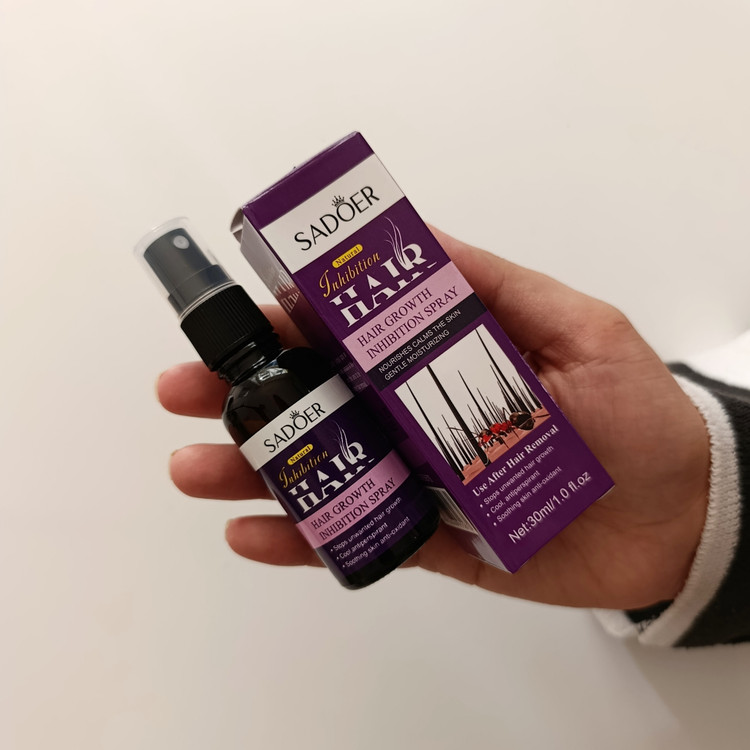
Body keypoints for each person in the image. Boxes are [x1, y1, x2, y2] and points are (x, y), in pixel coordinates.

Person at [157, 228, 749, 648]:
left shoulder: (302, 367)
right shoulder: (246, 406)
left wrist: (696, 511)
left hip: (527, 500)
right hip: (417, 521)